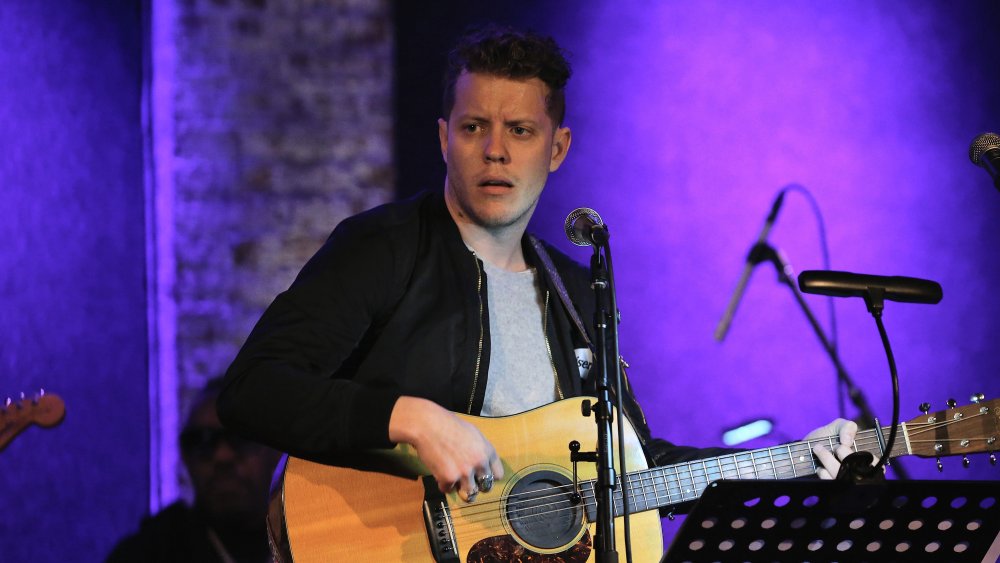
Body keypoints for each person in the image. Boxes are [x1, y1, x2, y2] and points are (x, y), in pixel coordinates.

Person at [217, 23, 861, 547]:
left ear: (557, 148)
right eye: (474, 127)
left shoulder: (576, 296)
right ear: (444, 139)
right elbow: (252, 391)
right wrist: (409, 418)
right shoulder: (382, 247)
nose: (495, 151)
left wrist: (789, 462)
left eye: (520, 131)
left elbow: (629, 471)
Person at [108, 378, 280, 563]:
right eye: (202, 442)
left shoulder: (305, 541)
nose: (222, 456)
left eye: (241, 437)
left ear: (275, 451)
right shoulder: (148, 553)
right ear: (185, 456)